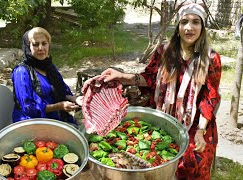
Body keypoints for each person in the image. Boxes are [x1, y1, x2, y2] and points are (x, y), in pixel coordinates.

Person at [94, 2, 221, 179]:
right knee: (150, 162)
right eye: (184, 22)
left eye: (195, 22)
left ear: (203, 26)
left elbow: (210, 97)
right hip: (164, 115)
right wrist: (121, 76)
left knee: (193, 161)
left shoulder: (211, 58)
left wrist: (200, 131)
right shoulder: (164, 51)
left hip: (195, 123)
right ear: (178, 26)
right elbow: (150, 78)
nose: (189, 27)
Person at [12, 27, 82, 126]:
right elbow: (28, 108)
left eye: (44, 43)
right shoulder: (21, 71)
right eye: (36, 44)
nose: (41, 48)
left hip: (54, 119)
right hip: (30, 123)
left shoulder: (49, 67)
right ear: (28, 47)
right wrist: (58, 106)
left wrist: (75, 99)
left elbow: (61, 91)